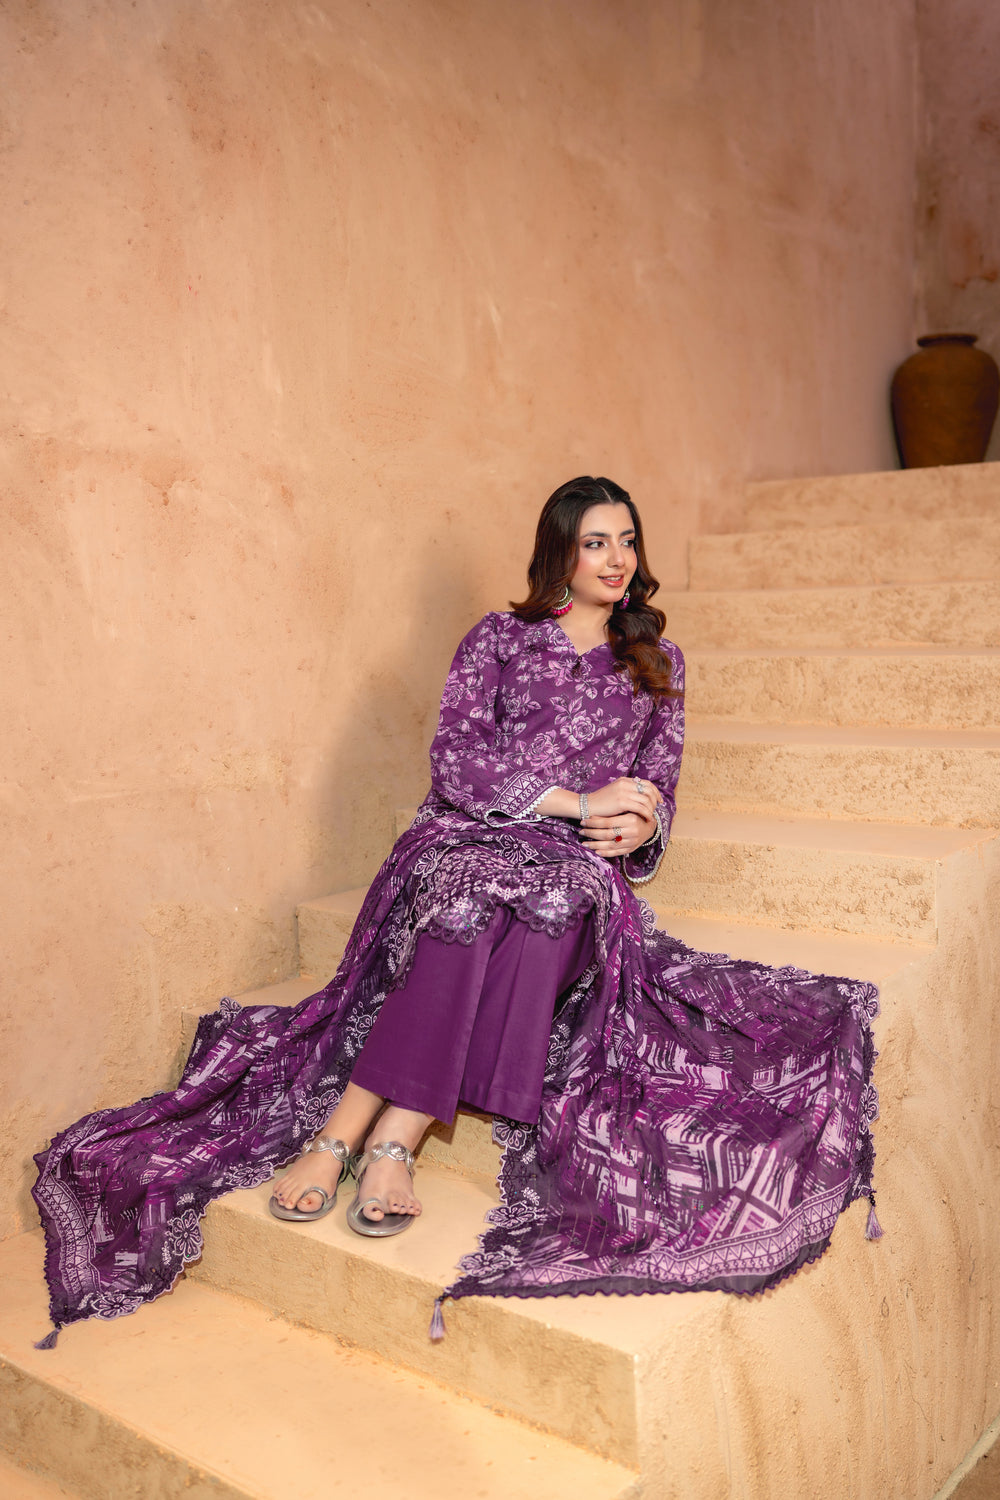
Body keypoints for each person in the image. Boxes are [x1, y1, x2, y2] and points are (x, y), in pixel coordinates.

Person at [33, 477, 880, 1346]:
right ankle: (366, 1140)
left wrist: (640, 822)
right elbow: (457, 763)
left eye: (627, 540)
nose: (617, 559)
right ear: (559, 551)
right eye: (595, 542)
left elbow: (660, 781)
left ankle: (369, 1136)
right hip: (473, 832)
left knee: (551, 909)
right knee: (469, 902)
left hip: (575, 862)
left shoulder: (659, 661)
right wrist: (577, 801)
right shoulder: (500, 640)